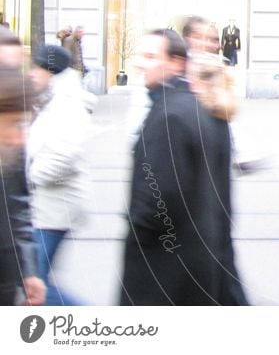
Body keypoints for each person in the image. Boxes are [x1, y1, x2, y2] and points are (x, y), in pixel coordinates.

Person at [120, 29, 247, 305]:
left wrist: (143, 235)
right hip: (205, 257)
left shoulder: (170, 116)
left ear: (177, 62)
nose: (141, 63)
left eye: (151, 56)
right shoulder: (205, 111)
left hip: (168, 267)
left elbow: (157, 199)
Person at [27, 45, 95, 306]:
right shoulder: (53, 98)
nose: (31, 73)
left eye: (36, 68)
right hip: (48, 207)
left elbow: (62, 156)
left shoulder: (67, 104)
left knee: (35, 286)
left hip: (54, 210)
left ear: (50, 72)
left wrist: (28, 179)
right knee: (35, 283)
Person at [0, 64, 46, 306]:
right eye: (14, 124)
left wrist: (27, 271)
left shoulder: (9, 155)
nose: (21, 138)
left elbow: (16, 211)